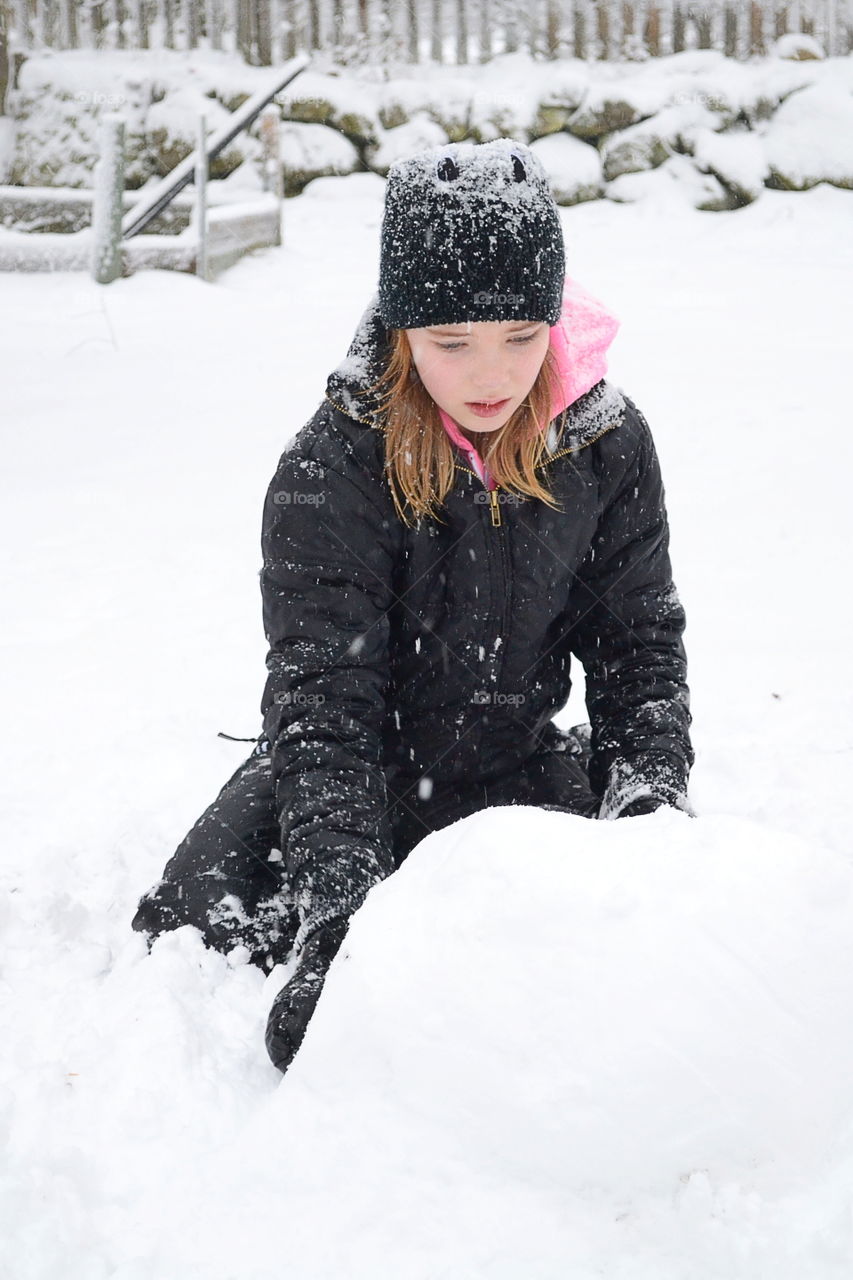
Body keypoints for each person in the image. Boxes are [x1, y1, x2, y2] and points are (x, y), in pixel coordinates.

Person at [131, 138, 694, 1075]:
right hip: (357, 773)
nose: (492, 374)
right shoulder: (329, 467)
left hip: (516, 770)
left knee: (592, 968)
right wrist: (334, 911)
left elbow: (637, 646)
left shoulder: (606, 442)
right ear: (400, 331)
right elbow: (323, 703)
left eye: (521, 336)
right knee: (196, 930)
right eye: (451, 343)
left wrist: (647, 802)